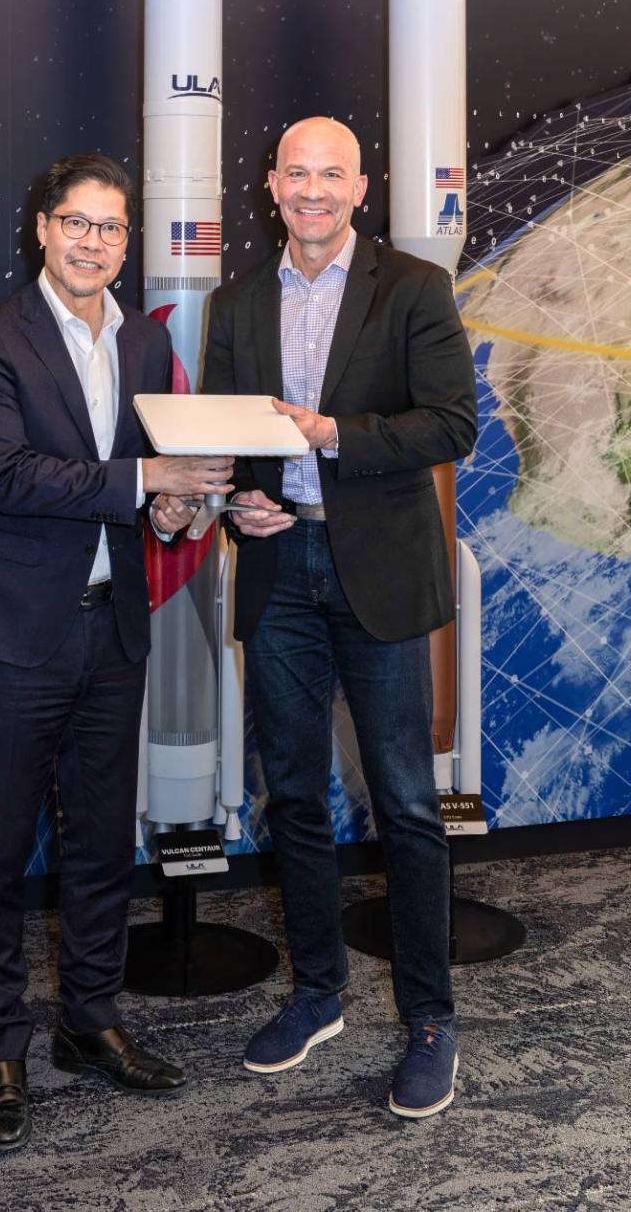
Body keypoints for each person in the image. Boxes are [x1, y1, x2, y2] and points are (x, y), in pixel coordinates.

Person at [0, 152, 233, 1151]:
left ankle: (91, 1020)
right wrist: (145, 473)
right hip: (13, 636)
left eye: (110, 228)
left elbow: (138, 496)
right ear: (41, 227)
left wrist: (176, 504)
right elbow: (11, 476)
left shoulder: (147, 351)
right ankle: (0, 1045)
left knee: (102, 844)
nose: (91, 243)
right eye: (76, 222)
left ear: (127, 241)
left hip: (113, 631)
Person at [202, 117, 478, 1119]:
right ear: (268, 185)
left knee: (406, 802)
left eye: (332, 174)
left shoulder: (412, 289)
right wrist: (246, 497)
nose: (312, 191)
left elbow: (452, 424)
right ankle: (317, 993)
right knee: (294, 796)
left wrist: (329, 435)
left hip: (382, 575)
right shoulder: (235, 302)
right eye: (295, 174)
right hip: (280, 569)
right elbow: (234, 439)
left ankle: (430, 1018)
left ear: (361, 188)